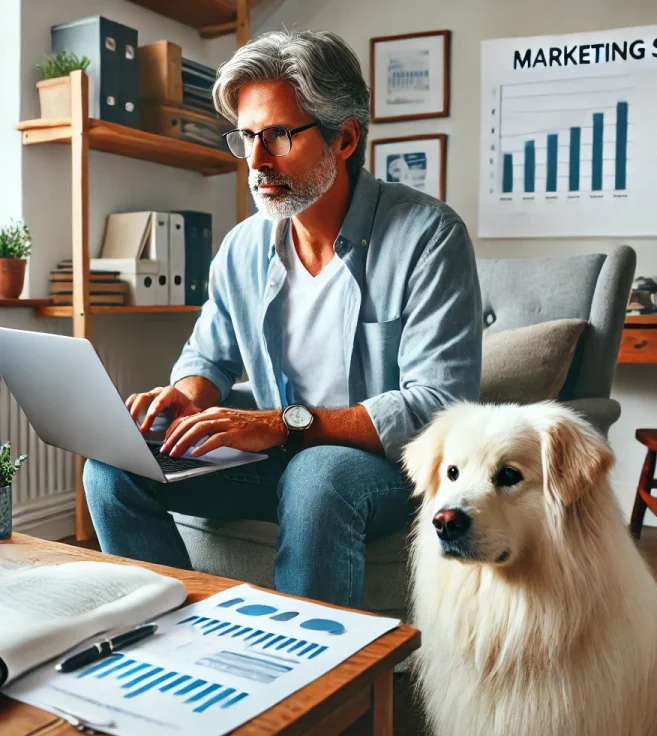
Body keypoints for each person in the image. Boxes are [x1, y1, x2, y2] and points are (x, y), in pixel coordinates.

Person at [83, 29, 482, 610]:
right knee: (111, 469)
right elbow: (208, 359)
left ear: (343, 138)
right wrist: (184, 398)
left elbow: (437, 407)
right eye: (246, 137)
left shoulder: (429, 237)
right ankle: (170, 637)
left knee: (318, 474)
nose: (256, 162)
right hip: (277, 460)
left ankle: (309, 686)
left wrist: (283, 425)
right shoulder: (244, 247)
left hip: (387, 471)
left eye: (277, 136)